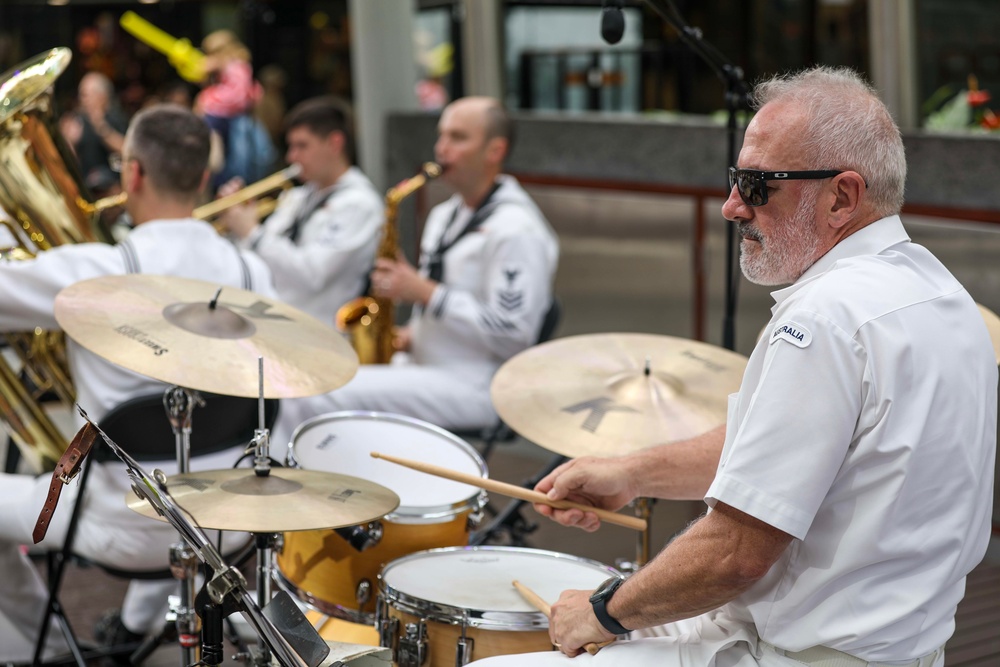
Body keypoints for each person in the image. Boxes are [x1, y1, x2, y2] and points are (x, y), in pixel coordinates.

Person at [470, 67, 997, 666]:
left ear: (842, 197)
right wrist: (632, 472)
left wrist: (603, 612)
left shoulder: (824, 320)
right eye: (734, 180)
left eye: (757, 185)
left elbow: (735, 555)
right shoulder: (946, 297)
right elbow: (781, 450)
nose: (729, 207)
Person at [0, 104, 274, 662]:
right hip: (230, 526)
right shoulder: (253, 273)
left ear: (132, 174)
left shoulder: (92, 272)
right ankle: (132, 627)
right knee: (183, 457)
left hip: (119, 524)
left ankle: (55, 650)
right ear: (203, 178)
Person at [271, 96, 559, 453]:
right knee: (305, 376)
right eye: (441, 136)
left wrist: (426, 293)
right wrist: (408, 334)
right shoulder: (444, 214)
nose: (441, 149)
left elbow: (514, 334)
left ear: (494, 150)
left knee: (308, 398)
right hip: (427, 364)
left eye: (458, 138)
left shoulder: (516, 230)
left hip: (479, 382)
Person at [215, 95, 383, 324]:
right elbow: (260, 262)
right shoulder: (299, 196)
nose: (291, 157)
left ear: (335, 143)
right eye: (291, 146)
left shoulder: (360, 204)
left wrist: (252, 232)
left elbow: (313, 274)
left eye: (302, 146)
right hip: (279, 326)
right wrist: (236, 223)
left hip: (322, 336)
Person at [59, 71, 129, 188]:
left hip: (114, 186)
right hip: (88, 186)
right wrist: (68, 141)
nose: (82, 100)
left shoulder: (116, 118)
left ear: (102, 96)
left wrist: (100, 126)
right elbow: (72, 164)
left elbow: (126, 150)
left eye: (85, 95)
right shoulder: (79, 121)